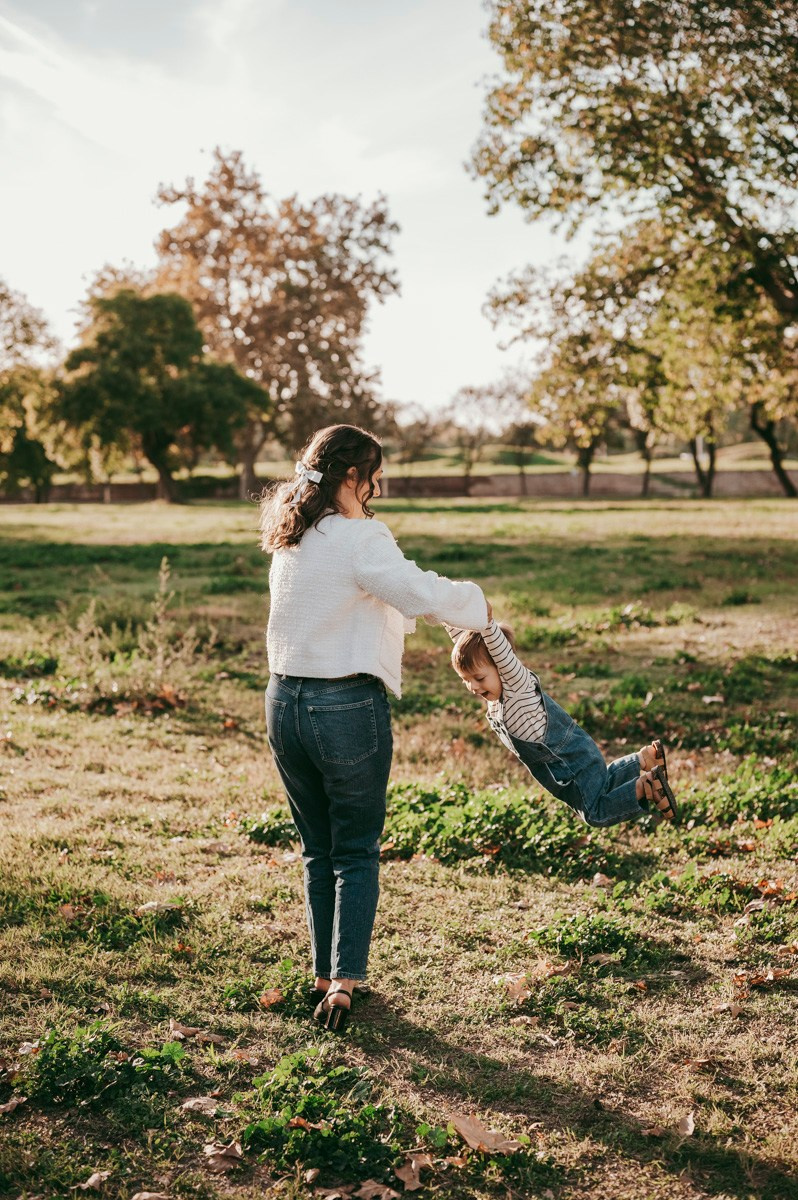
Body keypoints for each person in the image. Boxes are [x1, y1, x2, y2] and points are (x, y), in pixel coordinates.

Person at [260, 424, 488, 1031]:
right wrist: (477, 605)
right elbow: (415, 592)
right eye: (374, 475)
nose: (377, 487)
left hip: (283, 701)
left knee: (318, 848)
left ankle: (321, 972)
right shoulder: (362, 538)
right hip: (344, 707)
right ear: (354, 477)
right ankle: (344, 982)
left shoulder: (293, 535)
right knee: (355, 849)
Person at [446, 618, 678, 826]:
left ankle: (646, 786)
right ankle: (643, 759)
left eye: (479, 678)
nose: (473, 687)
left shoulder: (516, 687)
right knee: (602, 784)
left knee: (595, 813)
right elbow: (462, 637)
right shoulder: (496, 695)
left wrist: (487, 622)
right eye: (466, 680)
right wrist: (431, 605)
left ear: (502, 667)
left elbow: (495, 646)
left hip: (568, 765)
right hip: (575, 752)